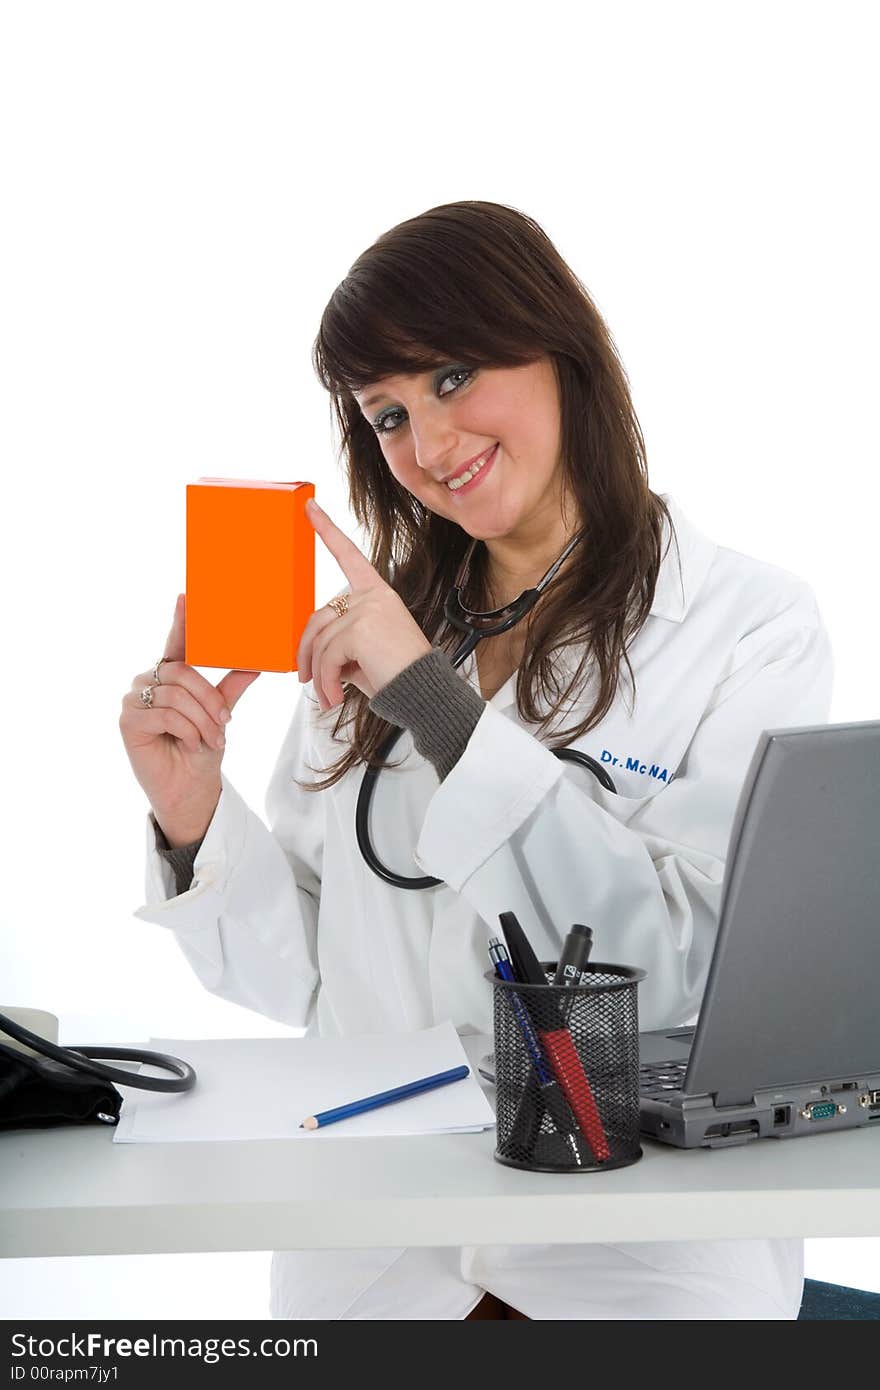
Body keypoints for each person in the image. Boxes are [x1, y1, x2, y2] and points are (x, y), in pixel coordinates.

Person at [119, 200, 833, 1320]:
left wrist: (439, 709)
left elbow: (689, 966)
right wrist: (194, 818)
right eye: (388, 413)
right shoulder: (374, 632)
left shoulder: (748, 626)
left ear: (559, 349)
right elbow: (305, 979)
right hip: (373, 1243)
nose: (429, 447)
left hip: (630, 1244)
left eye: (453, 376)